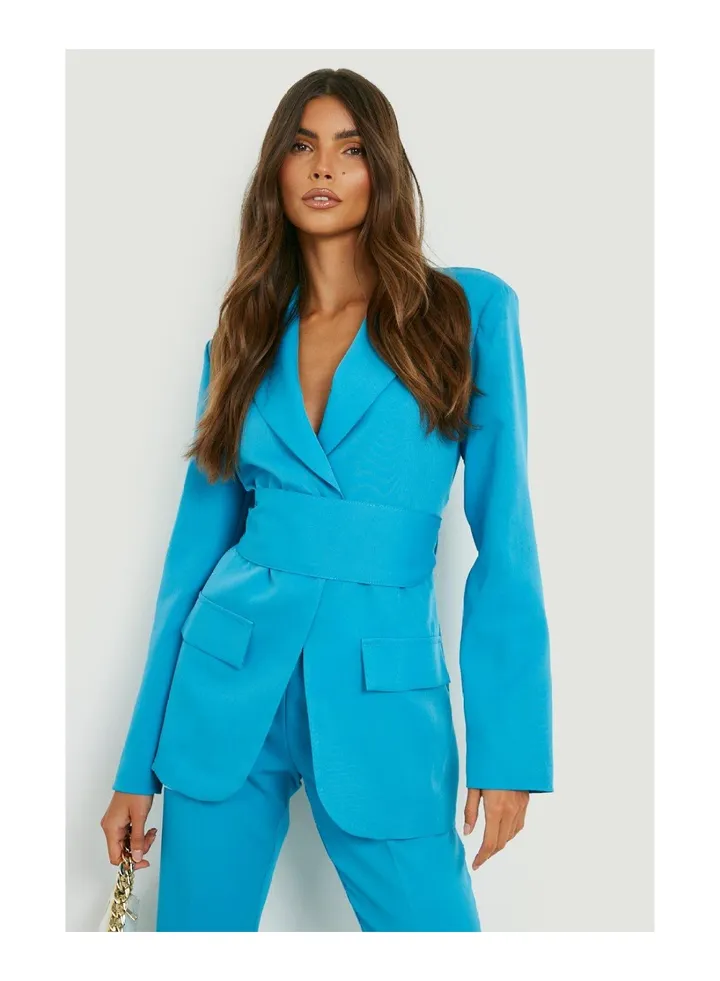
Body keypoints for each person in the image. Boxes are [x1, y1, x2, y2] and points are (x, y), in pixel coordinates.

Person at [100, 67, 553, 933]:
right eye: (302, 147)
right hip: (225, 688)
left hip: (384, 694)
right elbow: (191, 559)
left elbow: (507, 539)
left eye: (350, 149)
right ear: (275, 170)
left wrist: (511, 751)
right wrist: (135, 768)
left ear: (382, 169)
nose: (323, 167)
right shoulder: (240, 340)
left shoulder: (465, 311)